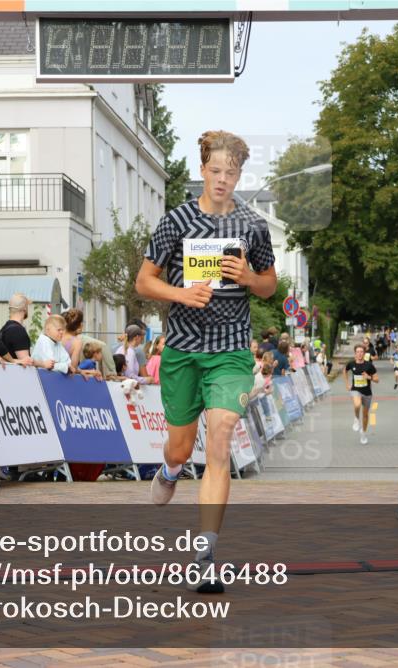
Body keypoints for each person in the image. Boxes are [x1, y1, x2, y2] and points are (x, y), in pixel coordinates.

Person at [135, 129, 276, 594]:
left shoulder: (253, 226)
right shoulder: (175, 222)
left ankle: (206, 555)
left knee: (219, 441)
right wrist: (181, 293)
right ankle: (171, 470)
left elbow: (270, 285)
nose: (222, 179)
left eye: (230, 172)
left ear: (239, 174)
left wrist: (251, 276)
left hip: (231, 350)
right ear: (202, 171)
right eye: (214, 170)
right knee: (180, 447)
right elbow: (143, 282)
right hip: (181, 351)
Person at [344, 343, 378, 445]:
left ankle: (363, 433)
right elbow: (344, 371)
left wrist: (369, 377)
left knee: (366, 415)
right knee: (357, 404)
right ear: (355, 353)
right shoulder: (351, 364)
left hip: (367, 392)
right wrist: (347, 384)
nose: (359, 354)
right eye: (357, 352)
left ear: (364, 353)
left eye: (361, 352)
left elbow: (377, 379)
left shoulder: (369, 365)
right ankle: (356, 419)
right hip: (355, 390)